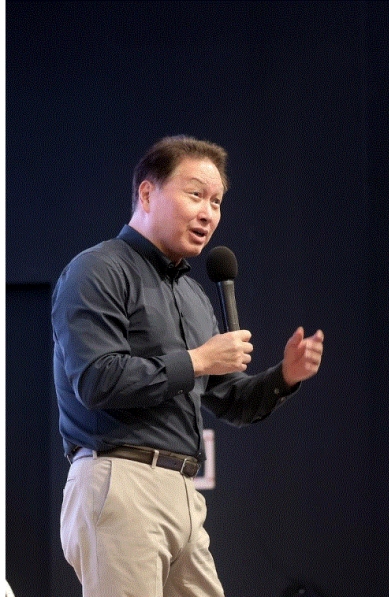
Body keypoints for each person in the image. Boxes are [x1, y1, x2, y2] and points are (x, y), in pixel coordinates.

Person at [52, 135, 324, 597]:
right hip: (120, 479)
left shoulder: (194, 296)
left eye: (216, 202)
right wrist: (198, 360)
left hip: (181, 490)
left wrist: (285, 376)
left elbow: (230, 399)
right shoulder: (97, 270)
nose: (208, 213)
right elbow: (96, 380)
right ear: (146, 193)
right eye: (195, 194)